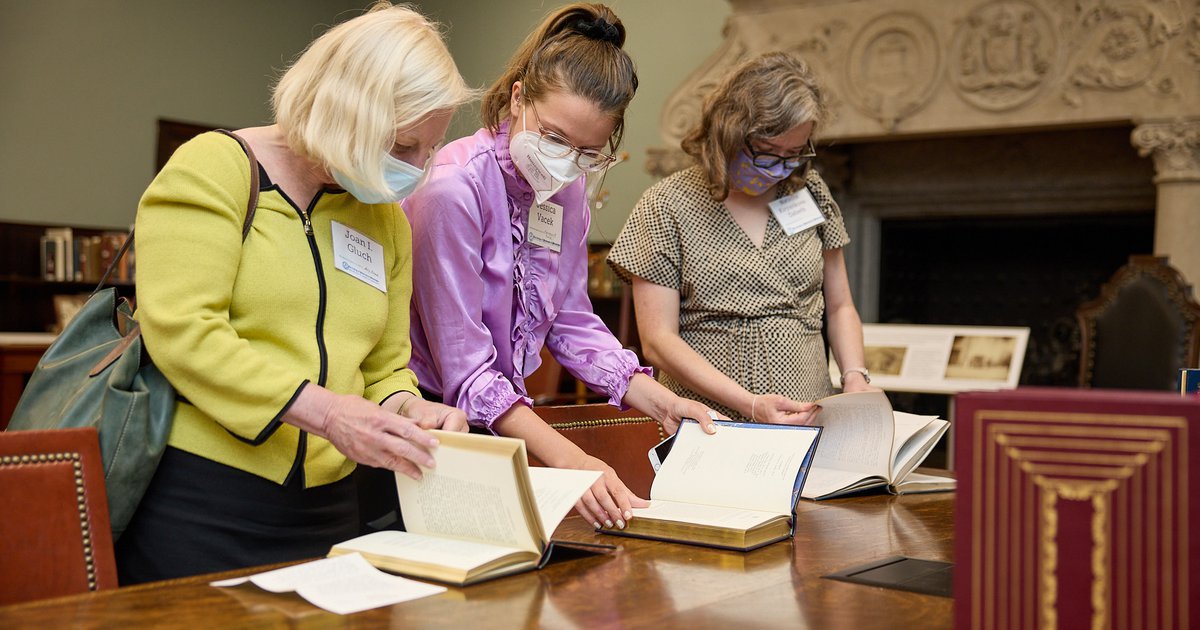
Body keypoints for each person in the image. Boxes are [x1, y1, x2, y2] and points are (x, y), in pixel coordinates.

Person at [117, 2, 475, 583]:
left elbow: (384, 369)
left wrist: (413, 412)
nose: (418, 167)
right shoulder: (215, 169)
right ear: (346, 114)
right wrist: (329, 413)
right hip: (205, 501)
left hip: (330, 510)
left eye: (428, 149)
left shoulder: (385, 220)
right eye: (403, 146)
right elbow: (184, 331)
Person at [403, 3, 720, 533]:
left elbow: (571, 320)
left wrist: (661, 403)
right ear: (518, 96)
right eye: (553, 138)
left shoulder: (565, 190)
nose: (564, 160)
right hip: (435, 417)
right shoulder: (452, 189)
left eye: (586, 151)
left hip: (511, 423)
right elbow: (467, 371)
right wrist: (573, 460)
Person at [607, 51, 878, 426]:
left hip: (809, 419)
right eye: (767, 154)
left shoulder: (807, 190)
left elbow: (840, 306)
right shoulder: (666, 205)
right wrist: (748, 403)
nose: (779, 170)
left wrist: (854, 376)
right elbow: (658, 342)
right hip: (711, 423)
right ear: (728, 133)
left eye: (794, 154)